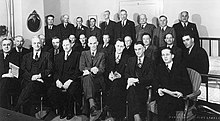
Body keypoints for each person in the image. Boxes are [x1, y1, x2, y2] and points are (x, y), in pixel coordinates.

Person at [15, 36, 52, 115]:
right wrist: (32, 77)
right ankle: (28, 113)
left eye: (38, 43)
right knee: (30, 86)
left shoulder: (47, 55)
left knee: (31, 85)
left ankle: (17, 107)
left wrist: (39, 76)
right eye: (34, 43)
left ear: (41, 44)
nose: (37, 45)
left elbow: (50, 69)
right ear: (32, 45)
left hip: (41, 83)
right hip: (27, 81)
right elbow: (22, 71)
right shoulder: (26, 56)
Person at [47, 39, 82, 120]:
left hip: (73, 80)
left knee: (71, 92)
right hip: (60, 81)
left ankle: (69, 111)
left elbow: (78, 71)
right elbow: (55, 71)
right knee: (51, 92)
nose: (66, 47)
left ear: (71, 45)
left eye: (67, 45)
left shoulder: (77, 55)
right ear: (62, 46)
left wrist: (70, 81)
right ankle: (61, 109)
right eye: (64, 45)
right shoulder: (58, 56)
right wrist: (57, 80)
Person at [155, 47, 192, 121]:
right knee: (163, 103)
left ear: (172, 56)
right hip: (164, 96)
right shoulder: (159, 68)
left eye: (167, 54)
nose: (165, 57)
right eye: (163, 55)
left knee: (166, 104)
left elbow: (188, 85)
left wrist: (181, 92)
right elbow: (155, 82)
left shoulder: (180, 67)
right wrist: (158, 89)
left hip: (177, 98)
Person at [125, 41, 155, 121]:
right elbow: (126, 74)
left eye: (139, 49)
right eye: (135, 50)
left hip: (144, 89)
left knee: (132, 91)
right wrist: (130, 80)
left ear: (144, 49)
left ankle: (135, 116)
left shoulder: (150, 62)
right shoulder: (131, 60)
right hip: (132, 87)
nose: (137, 51)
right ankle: (136, 116)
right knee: (131, 89)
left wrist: (137, 80)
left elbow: (150, 77)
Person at [79, 36, 105, 118]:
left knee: (87, 77)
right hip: (87, 80)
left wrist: (94, 70)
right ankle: (92, 106)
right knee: (87, 77)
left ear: (97, 43)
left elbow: (102, 69)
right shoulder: (84, 53)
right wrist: (91, 70)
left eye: (94, 43)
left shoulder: (102, 54)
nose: (93, 45)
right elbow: (81, 67)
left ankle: (89, 107)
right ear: (88, 44)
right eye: (91, 43)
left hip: (97, 80)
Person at [105, 39, 130, 120]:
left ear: (124, 47)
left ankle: (109, 109)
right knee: (113, 86)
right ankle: (115, 115)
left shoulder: (127, 58)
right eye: (118, 46)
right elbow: (105, 70)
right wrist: (109, 74)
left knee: (116, 85)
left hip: (121, 82)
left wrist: (121, 76)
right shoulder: (109, 56)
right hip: (109, 81)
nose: (119, 48)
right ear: (115, 46)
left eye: (121, 46)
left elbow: (128, 72)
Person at [0, 38, 20, 109]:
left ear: (12, 46)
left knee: (5, 81)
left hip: (13, 81)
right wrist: (4, 75)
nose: (6, 47)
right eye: (4, 45)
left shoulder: (17, 56)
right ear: (1, 46)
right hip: (1, 79)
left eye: (8, 45)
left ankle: (3, 108)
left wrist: (7, 75)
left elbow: (16, 72)